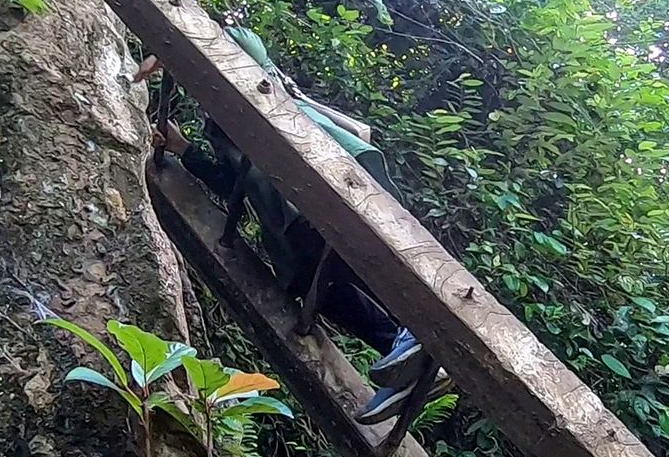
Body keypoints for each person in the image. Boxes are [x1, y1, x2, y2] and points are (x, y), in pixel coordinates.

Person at [142, 26, 449, 424]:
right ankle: (404, 360)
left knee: (347, 250)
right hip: (286, 218)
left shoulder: (241, 50)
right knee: (315, 285)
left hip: (317, 178)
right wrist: (184, 150)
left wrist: (174, 48)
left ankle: (419, 331)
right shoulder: (215, 123)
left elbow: (228, 45)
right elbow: (233, 183)